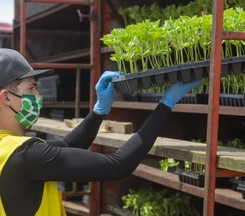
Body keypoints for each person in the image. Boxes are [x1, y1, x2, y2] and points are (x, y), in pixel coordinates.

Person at [0, 48, 200, 216]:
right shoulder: (26, 155)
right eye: (32, 88)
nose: (38, 95)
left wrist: (99, 110)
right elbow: (118, 165)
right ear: (6, 98)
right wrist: (166, 104)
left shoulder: (8, 150)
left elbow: (69, 145)